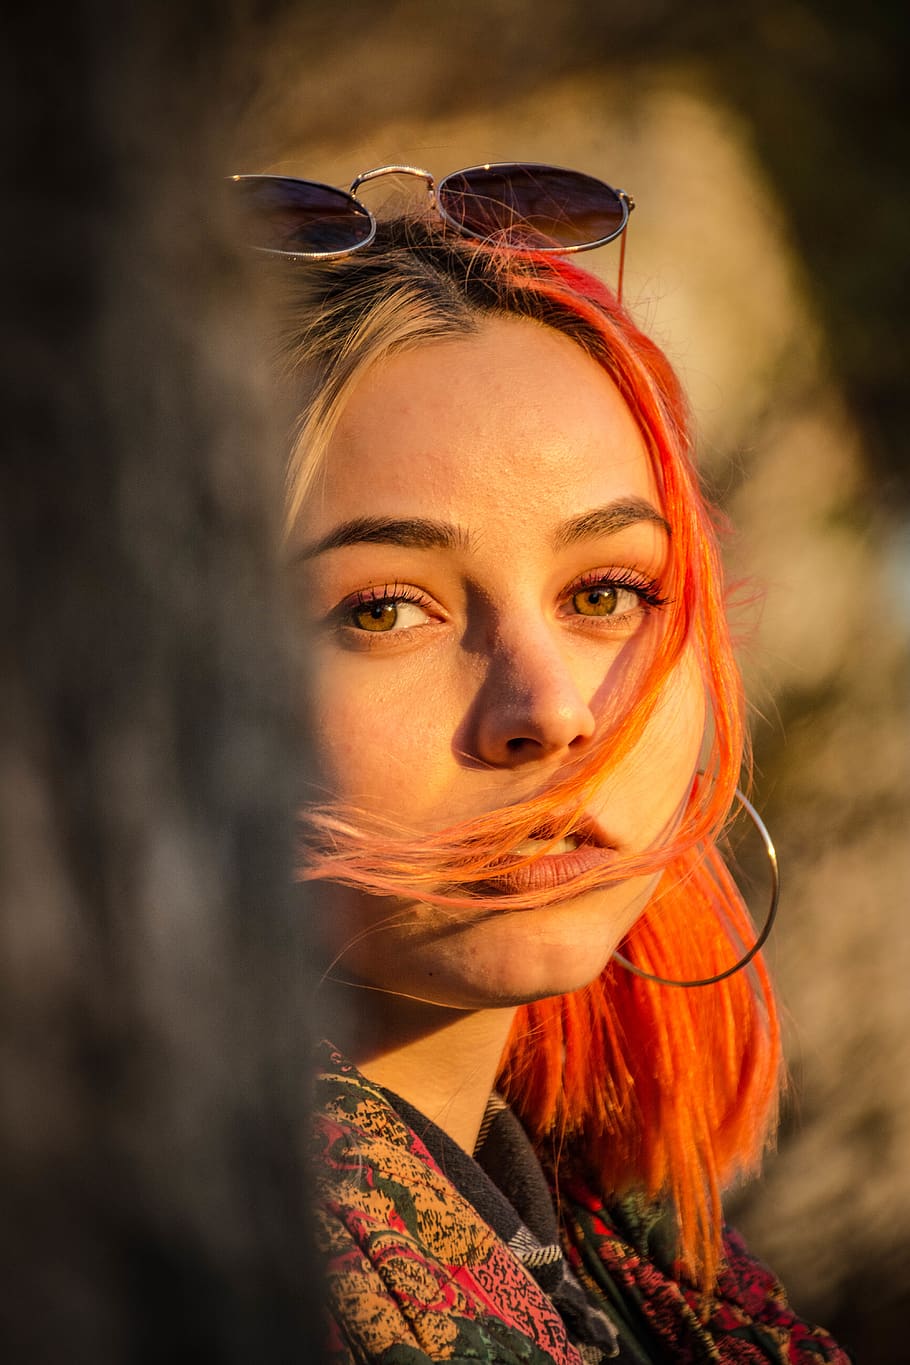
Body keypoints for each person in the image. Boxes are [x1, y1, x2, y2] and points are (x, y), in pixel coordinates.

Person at [233, 163, 852, 1364]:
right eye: (380, 610)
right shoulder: (150, 1268)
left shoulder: (646, 1270)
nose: (552, 711)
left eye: (607, 590)